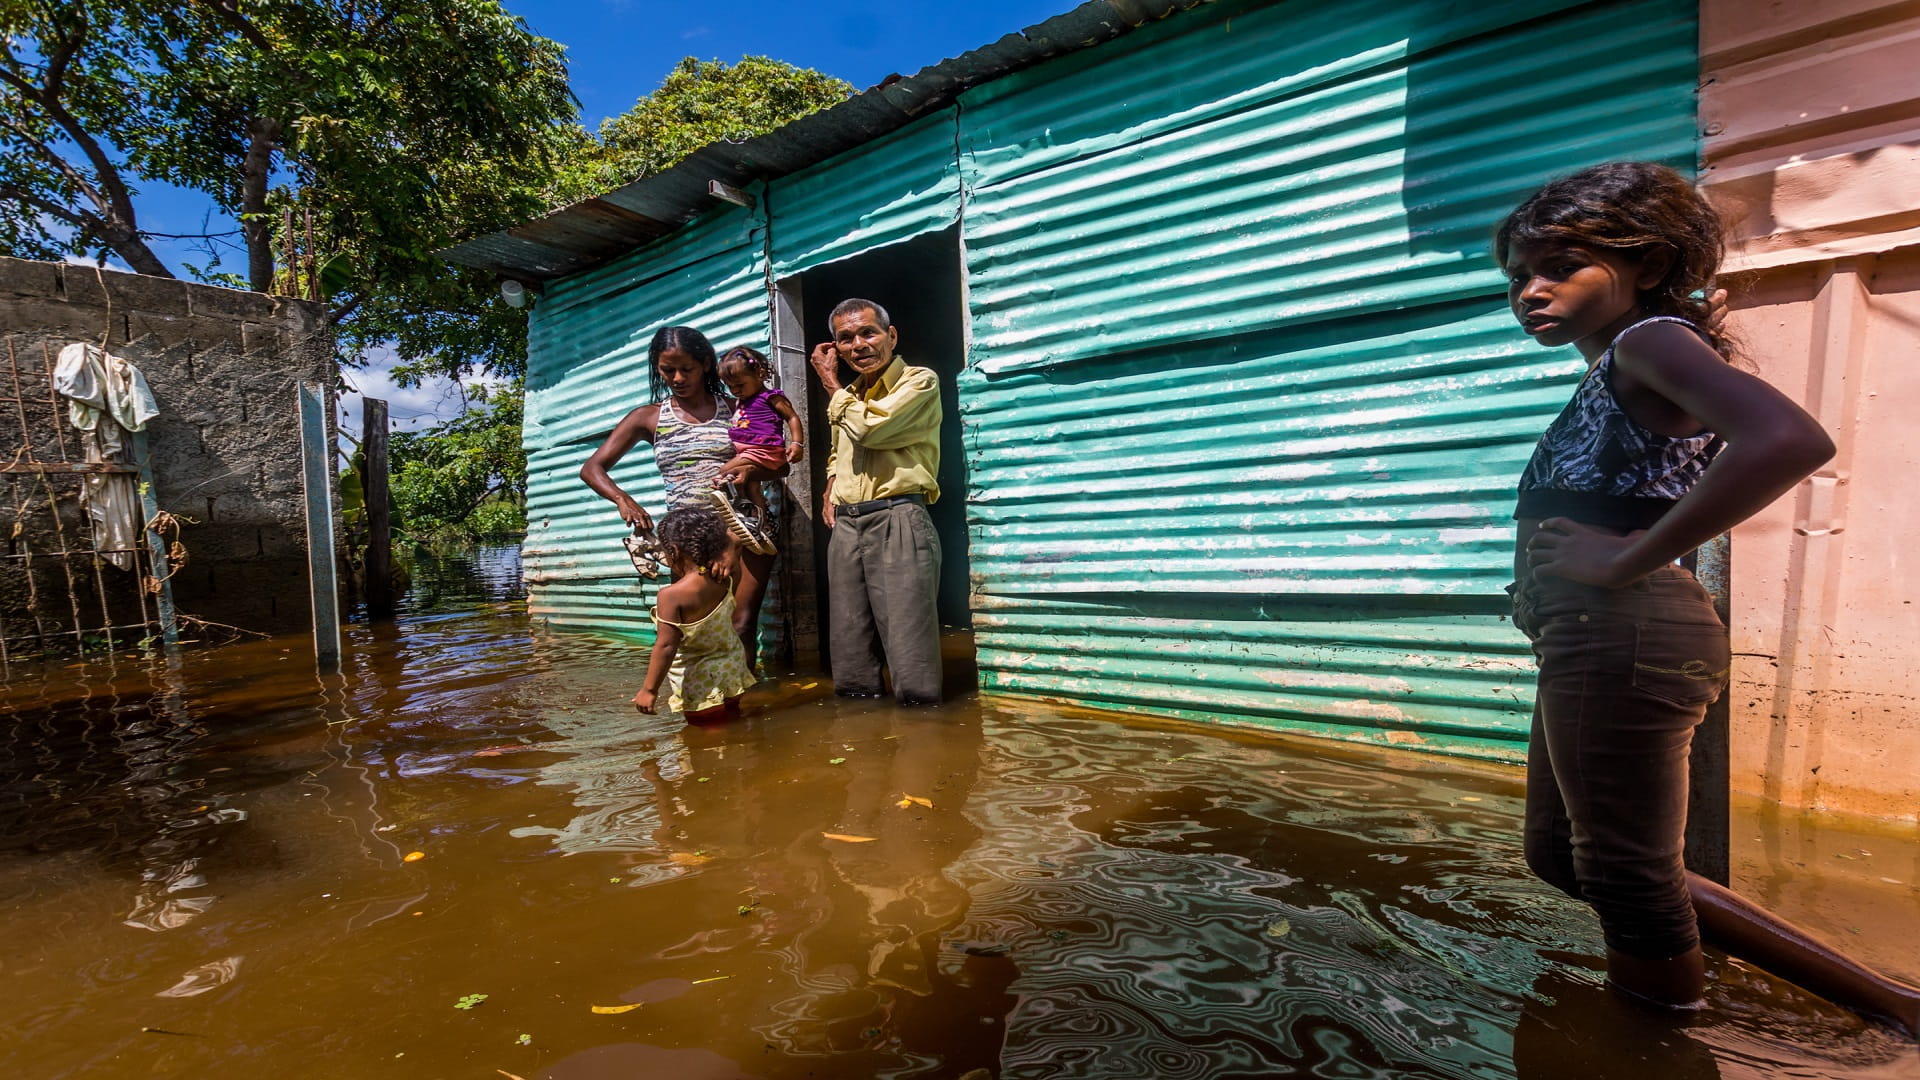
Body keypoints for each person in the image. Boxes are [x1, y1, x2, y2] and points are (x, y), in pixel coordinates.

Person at [1498, 161, 1919, 1031]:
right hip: (1589, 634)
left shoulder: (1649, 342)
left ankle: (1661, 1040)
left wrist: (1624, 563)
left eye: (1559, 266)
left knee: (1620, 871)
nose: (1530, 291)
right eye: (1517, 275)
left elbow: (1789, 438)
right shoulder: (1622, 366)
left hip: (1624, 630)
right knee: (1570, 860)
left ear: (1645, 267)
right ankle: (1892, 1003)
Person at [580, 326, 782, 668]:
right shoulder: (649, 417)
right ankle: (707, 707)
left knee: (742, 625)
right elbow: (593, 468)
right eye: (667, 370)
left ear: (705, 364)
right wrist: (622, 499)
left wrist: (748, 472)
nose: (677, 378)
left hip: (744, 530)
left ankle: (746, 709)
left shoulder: (739, 409)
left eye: (686, 369)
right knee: (694, 628)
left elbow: (778, 465)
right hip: (688, 539)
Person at [807, 298, 944, 704]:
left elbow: (872, 431)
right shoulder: (848, 396)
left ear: (892, 335)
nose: (858, 345)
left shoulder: (919, 382)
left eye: (868, 332)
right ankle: (859, 747)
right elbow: (840, 448)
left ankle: (923, 746)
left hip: (897, 516)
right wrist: (831, 483)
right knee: (849, 651)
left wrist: (830, 386)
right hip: (847, 527)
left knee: (910, 651)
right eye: (845, 338)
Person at [631, 507, 754, 722]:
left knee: (706, 737)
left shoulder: (671, 596)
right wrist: (728, 551)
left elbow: (666, 646)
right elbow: (736, 537)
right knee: (735, 720)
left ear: (675, 552)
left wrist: (649, 690)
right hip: (732, 668)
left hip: (700, 682)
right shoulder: (729, 576)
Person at [708, 345, 802, 554]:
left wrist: (797, 443)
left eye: (739, 385)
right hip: (749, 453)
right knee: (752, 487)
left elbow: (792, 417)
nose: (735, 391)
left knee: (725, 472)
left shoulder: (770, 397)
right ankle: (763, 525)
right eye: (730, 387)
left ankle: (740, 507)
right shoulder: (743, 401)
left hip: (763, 451)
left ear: (760, 374)